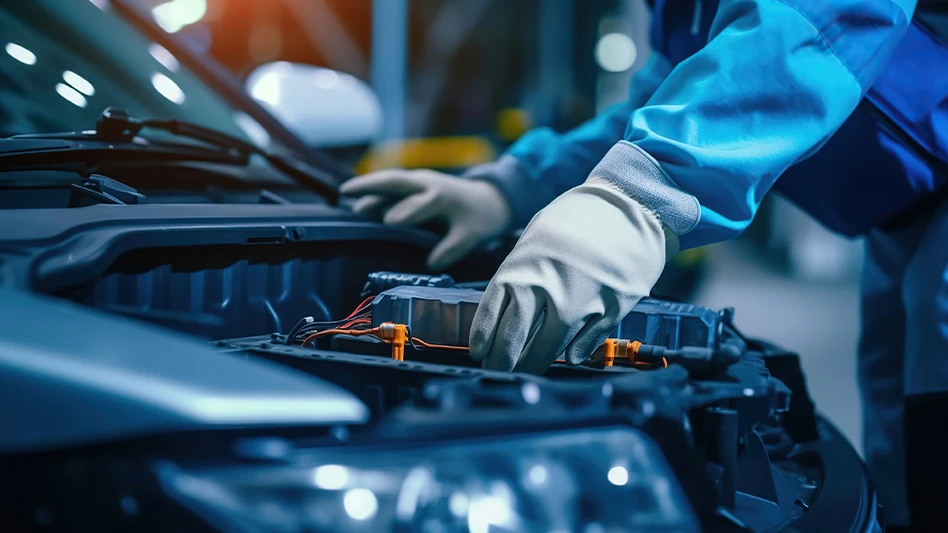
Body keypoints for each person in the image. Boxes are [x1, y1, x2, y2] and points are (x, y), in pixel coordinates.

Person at [341, 1, 948, 529]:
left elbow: (811, 22)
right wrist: (510, 188)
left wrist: (641, 194)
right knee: (909, 463)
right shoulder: (684, 7)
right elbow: (666, 98)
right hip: (906, 224)